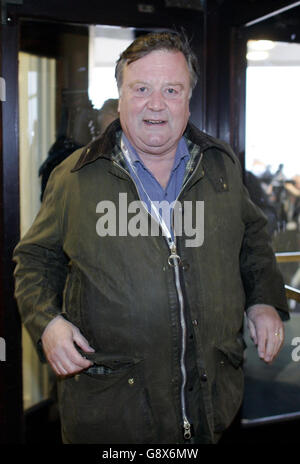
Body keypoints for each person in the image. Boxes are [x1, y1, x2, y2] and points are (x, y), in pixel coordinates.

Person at [13, 32, 289, 445]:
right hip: (114, 414)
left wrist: (263, 299)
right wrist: (48, 323)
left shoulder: (221, 167)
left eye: (171, 90)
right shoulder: (74, 177)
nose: (156, 104)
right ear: (120, 96)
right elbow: (35, 260)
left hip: (210, 407)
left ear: (188, 99)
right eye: (141, 89)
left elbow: (252, 237)